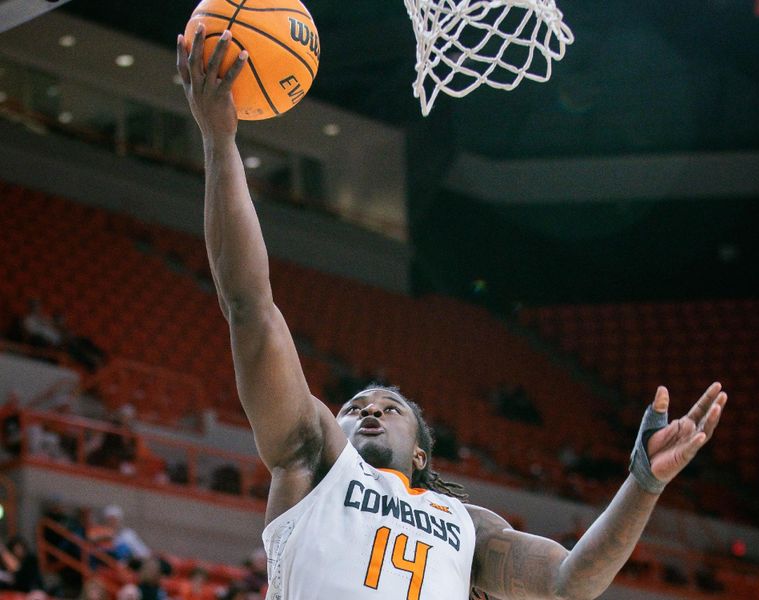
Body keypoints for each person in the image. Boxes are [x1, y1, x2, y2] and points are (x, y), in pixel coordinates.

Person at [177, 27, 728, 600]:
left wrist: (643, 483)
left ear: (421, 451)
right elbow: (250, 307)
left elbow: (569, 583)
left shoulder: (468, 526)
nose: (370, 410)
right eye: (356, 406)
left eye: (390, 407)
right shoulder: (311, 461)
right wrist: (219, 140)